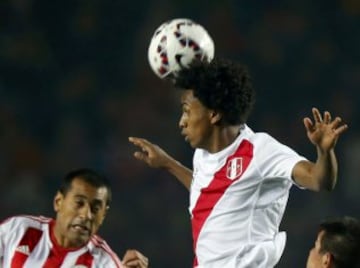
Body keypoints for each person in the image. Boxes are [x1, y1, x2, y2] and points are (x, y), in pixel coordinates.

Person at [128, 58, 348, 268]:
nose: (181, 122)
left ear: (213, 114)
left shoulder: (261, 151)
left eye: (187, 111)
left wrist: (324, 151)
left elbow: (320, 181)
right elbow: (207, 194)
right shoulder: (203, 155)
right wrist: (167, 163)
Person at [0, 168, 149, 268]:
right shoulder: (18, 230)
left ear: (103, 215)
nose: (86, 215)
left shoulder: (104, 263)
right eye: (79, 203)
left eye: (95, 209)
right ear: (58, 202)